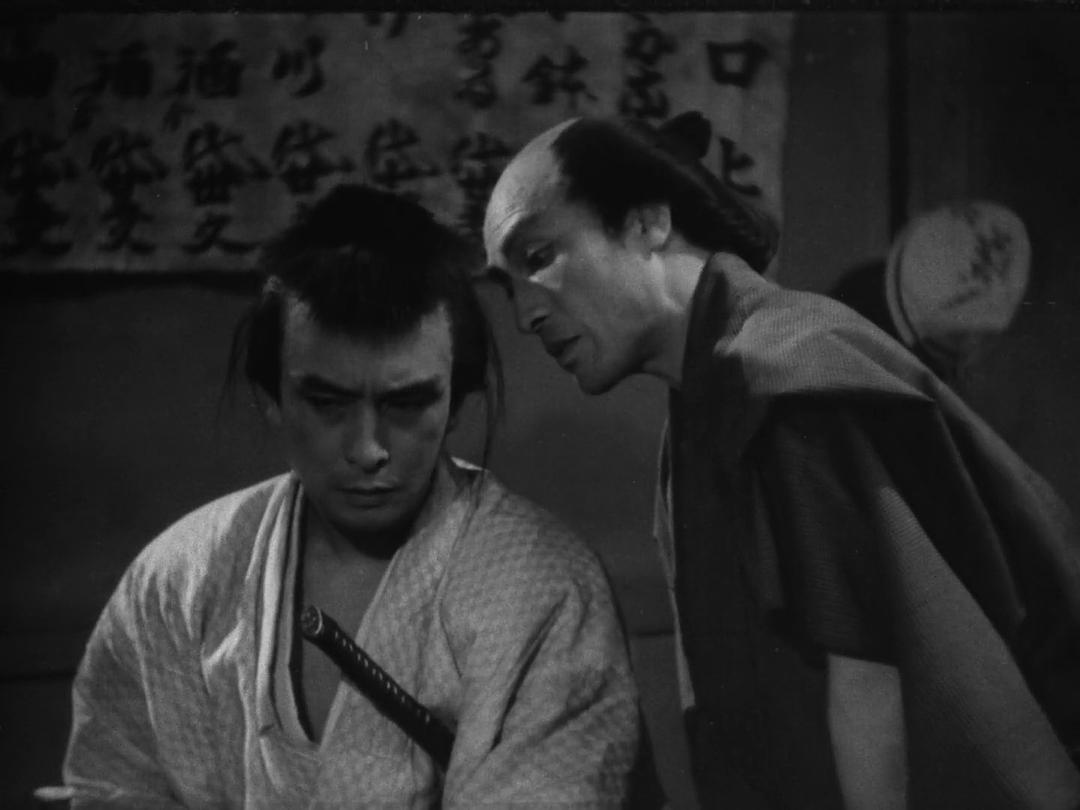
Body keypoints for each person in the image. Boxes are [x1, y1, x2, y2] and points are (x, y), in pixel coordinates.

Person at [482, 112, 1080, 809]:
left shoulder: (783, 373)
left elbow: (869, 682)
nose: (525, 314)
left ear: (648, 222)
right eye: (508, 286)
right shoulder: (709, 392)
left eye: (538, 257)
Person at [64, 184, 644, 808]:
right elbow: (114, 785)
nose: (368, 449)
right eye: (327, 403)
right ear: (271, 398)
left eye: (407, 403)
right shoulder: (182, 577)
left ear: (455, 401)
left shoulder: (545, 586)